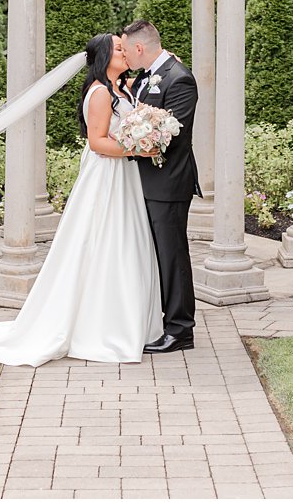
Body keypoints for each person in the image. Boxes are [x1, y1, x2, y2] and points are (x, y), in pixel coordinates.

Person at [0, 33, 163, 365]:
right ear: (103, 57)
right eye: (118, 48)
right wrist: (138, 147)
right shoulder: (99, 94)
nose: (124, 51)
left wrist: (144, 137)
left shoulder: (122, 89)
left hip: (123, 175)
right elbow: (98, 143)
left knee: (126, 242)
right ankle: (100, 329)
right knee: (101, 241)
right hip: (105, 176)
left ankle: (128, 321)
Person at [121, 18, 200, 354]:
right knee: (154, 254)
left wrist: (128, 143)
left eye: (125, 50)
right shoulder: (144, 77)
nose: (124, 57)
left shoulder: (179, 79)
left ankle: (181, 328)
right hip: (146, 181)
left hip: (168, 181)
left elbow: (173, 136)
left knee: (172, 255)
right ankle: (161, 317)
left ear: (139, 48)